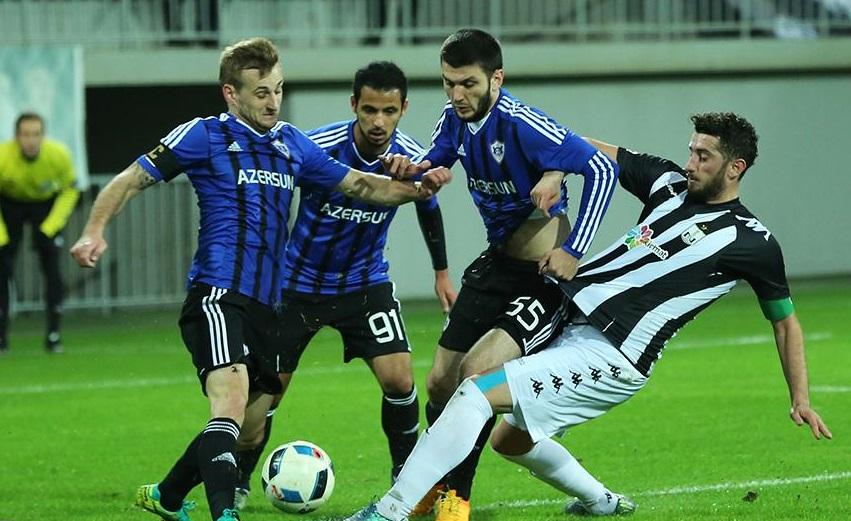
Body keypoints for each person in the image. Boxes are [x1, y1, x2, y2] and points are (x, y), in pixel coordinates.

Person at [344, 112, 833, 521]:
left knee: (475, 390)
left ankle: (391, 510)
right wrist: (557, 167)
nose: (690, 164)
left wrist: (801, 398)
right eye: (691, 151)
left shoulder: (753, 241)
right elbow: (579, 146)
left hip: (615, 353)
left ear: (735, 167)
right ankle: (601, 501)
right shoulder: (666, 183)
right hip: (567, 313)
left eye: (704, 157)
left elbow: (785, 322)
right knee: (508, 439)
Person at [70, 37, 450, 521]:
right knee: (230, 407)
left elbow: (360, 185)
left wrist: (418, 187)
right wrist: (94, 230)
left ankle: (167, 494)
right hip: (221, 294)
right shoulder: (204, 135)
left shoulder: (291, 143)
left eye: (278, 90)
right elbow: (129, 179)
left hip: (269, 306)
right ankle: (226, 510)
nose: (273, 102)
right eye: (261, 93)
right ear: (231, 94)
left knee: (247, 427)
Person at [379, 28, 618, 519]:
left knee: (477, 374)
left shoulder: (524, 123)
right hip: (496, 265)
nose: (457, 94)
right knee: (440, 382)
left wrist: (574, 250)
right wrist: (413, 170)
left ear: (497, 78)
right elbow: (433, 161)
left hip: (541, 277)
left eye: (467, 83)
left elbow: (602, 170)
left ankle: (455, 498)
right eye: (448, 83)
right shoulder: (454, 118)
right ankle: (435, 485)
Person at [230, 61, 457, 509]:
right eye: (369, 109)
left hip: (364, 283)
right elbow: (274, 190)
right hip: (296, 286)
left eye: (388, 111)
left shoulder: (413, 158)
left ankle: (406, 477)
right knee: (269, 389)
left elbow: (428, 207)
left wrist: (442, 273)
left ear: (404, 108)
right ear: (354, 104)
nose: (378, 121)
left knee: (399, 379)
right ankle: (238, 479)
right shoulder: (319, 146)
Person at [0, 113, 79, 354]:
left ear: (43, 136)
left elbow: (69, 190)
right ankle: (2, 338)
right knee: (2, 269)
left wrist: (50, 227)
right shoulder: (3, 156)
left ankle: (53, 335)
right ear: (17, 136)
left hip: (45, 206)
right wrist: (1, 234)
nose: (31, 140)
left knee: (52, 268)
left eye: (36, 134)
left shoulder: (58, 155)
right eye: (25, 134)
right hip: (8, 204)